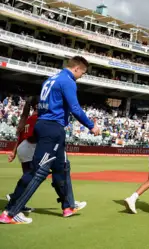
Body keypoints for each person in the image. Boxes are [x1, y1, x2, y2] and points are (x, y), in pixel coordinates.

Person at [1, 56, 100, 225]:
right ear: (76, 68)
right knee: (37, 171)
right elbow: (75, 107)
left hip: (46, 125)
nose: (82, 76)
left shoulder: (50, 79)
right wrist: (91, 126)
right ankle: (11, 211)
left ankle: (67, 206)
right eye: (83, 72)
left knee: (62, 167)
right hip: (52, 128)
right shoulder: (68, 81)